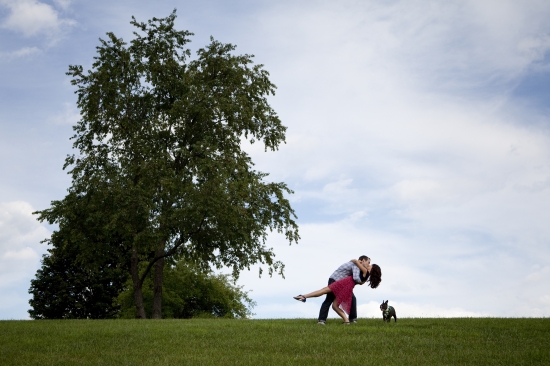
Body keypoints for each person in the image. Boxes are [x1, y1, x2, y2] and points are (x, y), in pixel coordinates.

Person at [293, 257, 382, 324]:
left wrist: (356, 261)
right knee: (335, 305)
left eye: (370, 264)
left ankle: (305, 297)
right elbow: (360, 282)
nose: (369, 265)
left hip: (342, 283)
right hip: (345, 284)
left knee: (324, 292)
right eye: (369, 263)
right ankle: (348, 321)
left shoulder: (364, 271)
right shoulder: (365, 276)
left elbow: (356, 276)